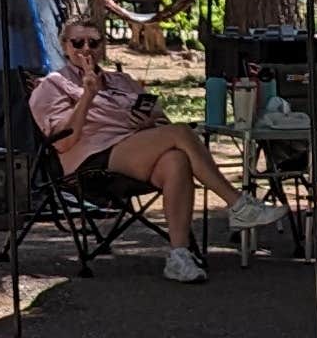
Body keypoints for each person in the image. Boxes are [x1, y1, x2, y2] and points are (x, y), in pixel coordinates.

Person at [32, 20, 284, 283]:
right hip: (91, 161)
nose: (86, 48)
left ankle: (179, 255)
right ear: (64, 47)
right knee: (180, 133)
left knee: (176, 160)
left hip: (134, 150)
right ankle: (237, 204)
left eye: (93, 42)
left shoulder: (122, 81)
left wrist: (149, 122)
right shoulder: (52, 84)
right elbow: (61, 142)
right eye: (78, 42)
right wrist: (87, 96)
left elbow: (159, 118)